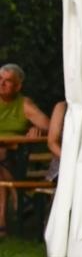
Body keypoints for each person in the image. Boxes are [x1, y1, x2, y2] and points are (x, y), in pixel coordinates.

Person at [0, 63, 50, 237]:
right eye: (0, 79)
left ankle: (2, 225)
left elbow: (49, 126)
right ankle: (16, 201)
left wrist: (37, 130)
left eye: (7, 81)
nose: (1, 84)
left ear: (18, 86)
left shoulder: (24, 105)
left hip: (15, 158)